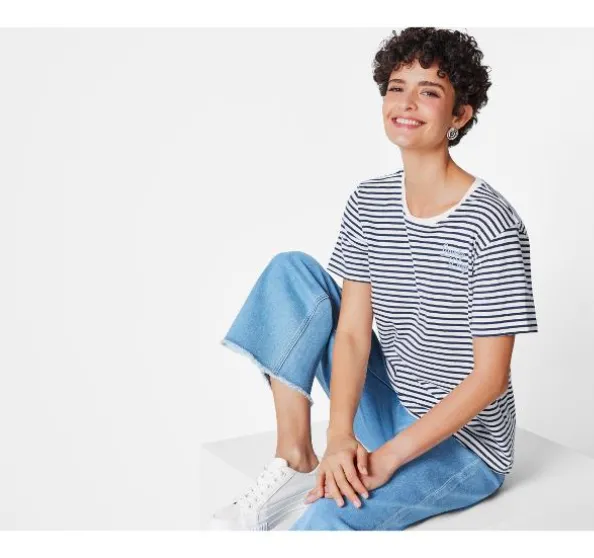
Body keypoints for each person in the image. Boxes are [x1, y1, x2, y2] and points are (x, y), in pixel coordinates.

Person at [211, 26, 539, 531]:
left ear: (459, 115)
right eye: (396, 87)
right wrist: (340, 435)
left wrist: (386, 459)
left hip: (466, 446)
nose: (406, 102)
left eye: (429, 92)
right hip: (392, 398)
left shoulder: (491, 223)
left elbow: (489, 379)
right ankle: (297, 456)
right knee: (291, 273)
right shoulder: (370, 201)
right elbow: (351, 331)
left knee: (329, 517)